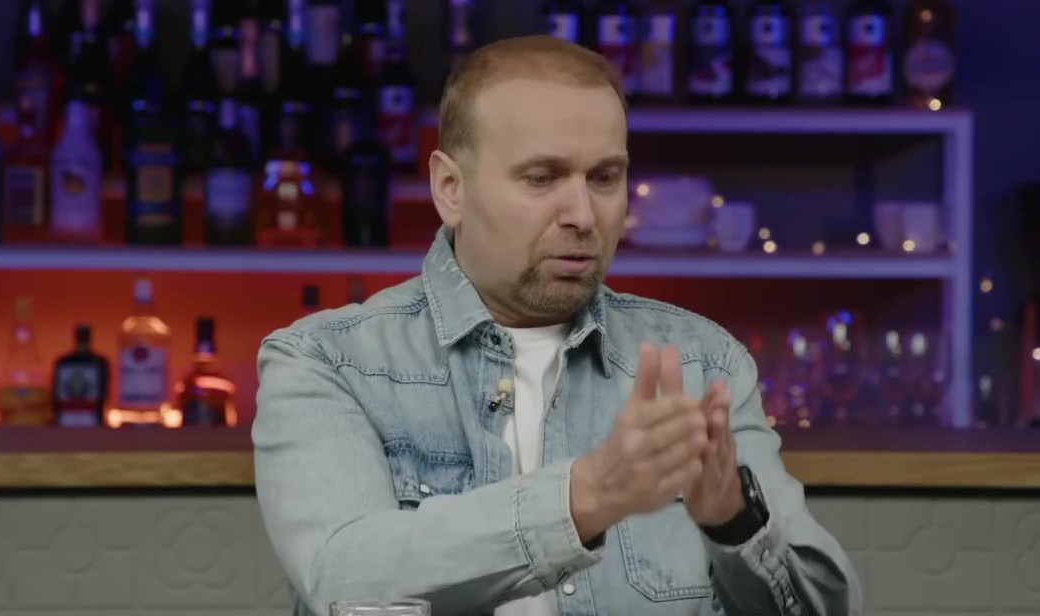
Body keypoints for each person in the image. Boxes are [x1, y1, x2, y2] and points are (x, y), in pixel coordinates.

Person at [253, 35, 862, 616]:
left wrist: (734, 522)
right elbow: (344, 581)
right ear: (450, 188)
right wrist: (587, 496)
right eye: (542, 178)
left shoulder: (705, 363)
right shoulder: (324, 361)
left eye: (605, 177)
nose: (582, 215)